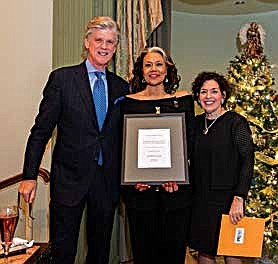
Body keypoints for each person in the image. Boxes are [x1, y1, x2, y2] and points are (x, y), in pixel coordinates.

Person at [18, 16, 129, 264]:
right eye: (99, 40)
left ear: (115, 47)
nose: (104, 46)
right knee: (64, 252)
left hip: (106, 182)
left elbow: (126, 138)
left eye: (110, 42)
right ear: (87, 42)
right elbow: (41, 131)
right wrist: (29, 175)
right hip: (69, 181)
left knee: (100, 253)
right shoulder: (62, 79)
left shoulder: (122, 87)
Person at [119, 46, 194, 264]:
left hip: (175, 193)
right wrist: (132, 179)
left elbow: (189, 143)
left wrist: (179, 174)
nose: (154, 69)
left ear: (167, 69)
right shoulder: (127, 103)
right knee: (144, 254)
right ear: (141, 71)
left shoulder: (183, 100)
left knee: (173, 254)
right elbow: (122, 146)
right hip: (140, 195)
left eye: (159, 64)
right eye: (148, 65)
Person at [188, 72, 254, 264]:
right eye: (203, 92)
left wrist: (239, 197)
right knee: (204, 250)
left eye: (214, 91)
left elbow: (247, 161)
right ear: (198, 97)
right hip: (200, 199)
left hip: (228, 199)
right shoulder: (195, 123)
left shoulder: (236, 123)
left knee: (231, 250)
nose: (208, 96)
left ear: (223, 95)